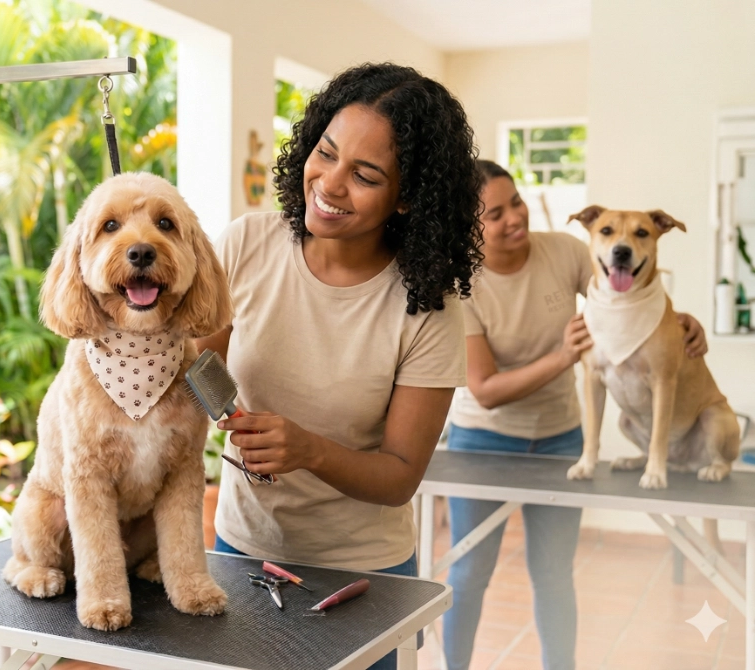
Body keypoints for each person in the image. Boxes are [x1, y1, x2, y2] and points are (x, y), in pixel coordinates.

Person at [195, 63, 481, 670]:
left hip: (362, 573)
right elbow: (196, 365)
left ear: (407, 197)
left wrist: (309, 450)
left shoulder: (427, 307)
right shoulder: (247, 244)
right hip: (242, 549)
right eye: (325, 153)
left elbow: (400, 476)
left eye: (365, 175)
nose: (329, 183)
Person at [441, 160, 708, 670]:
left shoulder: (563, 250)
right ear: (467, 224)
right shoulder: (461, 284)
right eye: (495, 214)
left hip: (561, 437)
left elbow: (625, 301)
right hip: (483, 440)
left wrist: (681, 323)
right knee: (469, 573)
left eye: (516, 202)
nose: (514, 218)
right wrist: (563, 357)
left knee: (553, 575)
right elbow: (485, 389)